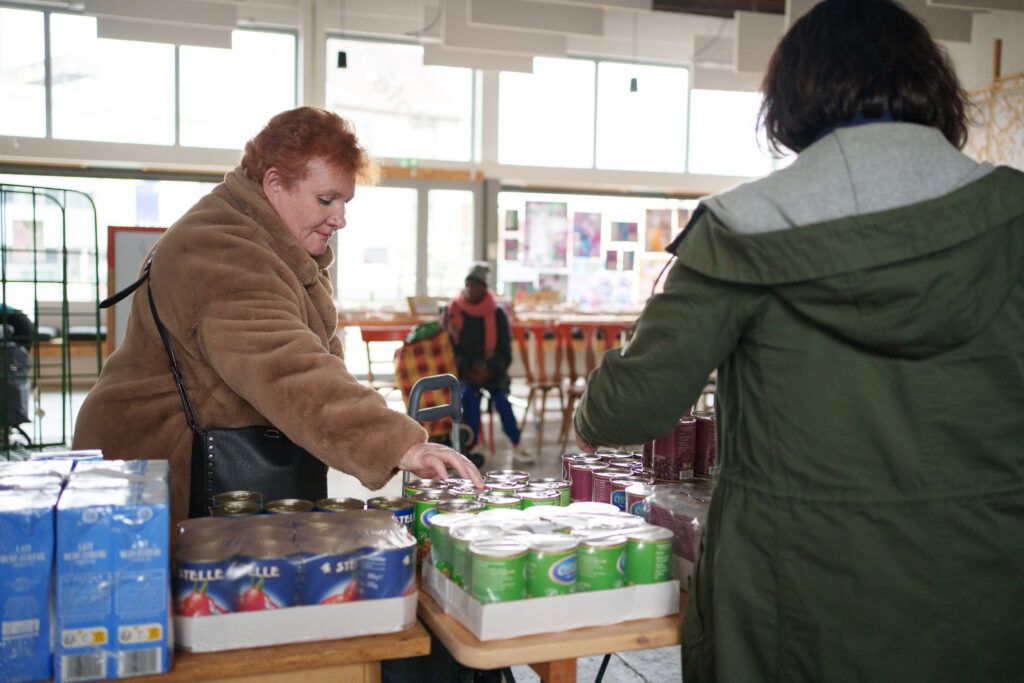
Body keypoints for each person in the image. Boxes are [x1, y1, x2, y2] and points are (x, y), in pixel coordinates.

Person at [574, 1, 1024, 681]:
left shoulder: (739, 231)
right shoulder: (1011, 219)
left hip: (795, 596)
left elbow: (624, 412)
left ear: (793, 96)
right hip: (982, 588)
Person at [73, 106, 483, 526]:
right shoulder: (219, 249)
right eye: (326, 199)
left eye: (345, 201)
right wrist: (398, 444)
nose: (340, 218)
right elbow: (288, 368)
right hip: (153, 476)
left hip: (207, 467)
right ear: (274, 184)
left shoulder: (280, 246)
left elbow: (319, 363)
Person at [446, 262, 523, 458]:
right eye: (468, 284)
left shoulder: (497, 314)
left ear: (484, 288)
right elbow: (452, 350)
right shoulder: (455, 310)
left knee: (501, 400)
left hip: (492, 371)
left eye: (476, 285)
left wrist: (489, 370)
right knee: (467, 396)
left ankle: (516, 442)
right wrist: (468, 369)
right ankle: (473, 444)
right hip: (466, 372)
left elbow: (505, 352)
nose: (471, 289)